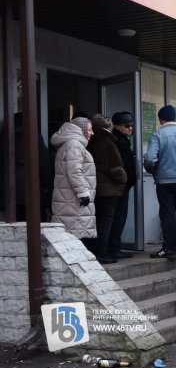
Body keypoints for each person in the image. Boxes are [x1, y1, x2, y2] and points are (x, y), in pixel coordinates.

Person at [144, 105, 176, 259]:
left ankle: (169, 248)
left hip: (165, 181)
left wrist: (153, 170)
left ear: (160, 119)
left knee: (168, 214)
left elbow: (150, 158)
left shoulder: (157, 135)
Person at [50, 117, 99, 257]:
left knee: (71, 235)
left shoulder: (71, 144)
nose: (92, 133)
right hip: (74, 200)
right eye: (89, 130)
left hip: (69, 199)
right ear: (81, 130)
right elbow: (74, 171)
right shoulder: (74, 144)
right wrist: (83, 193)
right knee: (74, 237)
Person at [86, 114, 128, 265]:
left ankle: (95, 250)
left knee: (97, 220)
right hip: (108, 188)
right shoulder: (108, 142)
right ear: (108, 127)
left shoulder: (90, 141)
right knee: (106, 221)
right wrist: (124, 180)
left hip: (94, 186)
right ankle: (102, 252)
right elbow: (115, 167)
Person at [108, 111, 137, 260]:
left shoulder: (123, 140)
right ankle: (113, 248)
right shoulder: (116, 142)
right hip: (119, 186)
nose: (131, 128)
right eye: (127, 126)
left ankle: (114, 247)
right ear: (118, 126)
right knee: (117, 217)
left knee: (119, 217)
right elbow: (117, 166)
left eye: (132, 125)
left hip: (122, 185)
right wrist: (124, 180)